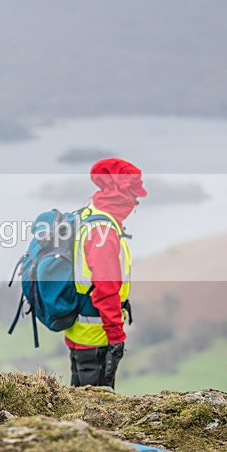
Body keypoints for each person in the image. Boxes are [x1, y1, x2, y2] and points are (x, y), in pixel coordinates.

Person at [66, 157, 147, 389]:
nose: (136, 204)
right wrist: (116, 337)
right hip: (97, 338)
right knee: (95, 411)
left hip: (80, 333)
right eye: (134, 196)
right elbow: (106, 289)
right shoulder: (104, 232)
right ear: (120, 194)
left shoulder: (90, 214)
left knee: (77, 406)